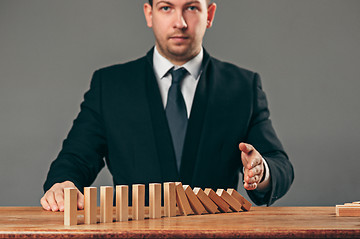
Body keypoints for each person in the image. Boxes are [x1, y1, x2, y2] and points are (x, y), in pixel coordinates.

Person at [41, 0, 294, 212]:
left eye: (192, 8)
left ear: (210, 14)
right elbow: (74, 159)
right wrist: (64, 185)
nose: (180, 22)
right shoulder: (110, 86)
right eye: (166, 8)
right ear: (149, 14)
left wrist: (262, 172)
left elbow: (279, 164)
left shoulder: (242, 87)